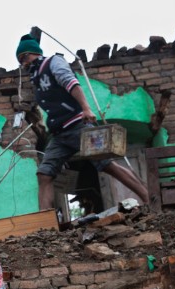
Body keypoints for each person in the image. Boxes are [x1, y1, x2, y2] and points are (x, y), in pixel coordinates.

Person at [15, 34, 151, 217]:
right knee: (44, 175)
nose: (22, 66)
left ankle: (148, 197)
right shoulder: (35, 77)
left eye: (22, 60)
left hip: (77, 125)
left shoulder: (53, 62)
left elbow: (71, 83)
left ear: (26, 55)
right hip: (58, 134)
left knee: (107, 165)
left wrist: (86, 109)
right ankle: (45, 224)